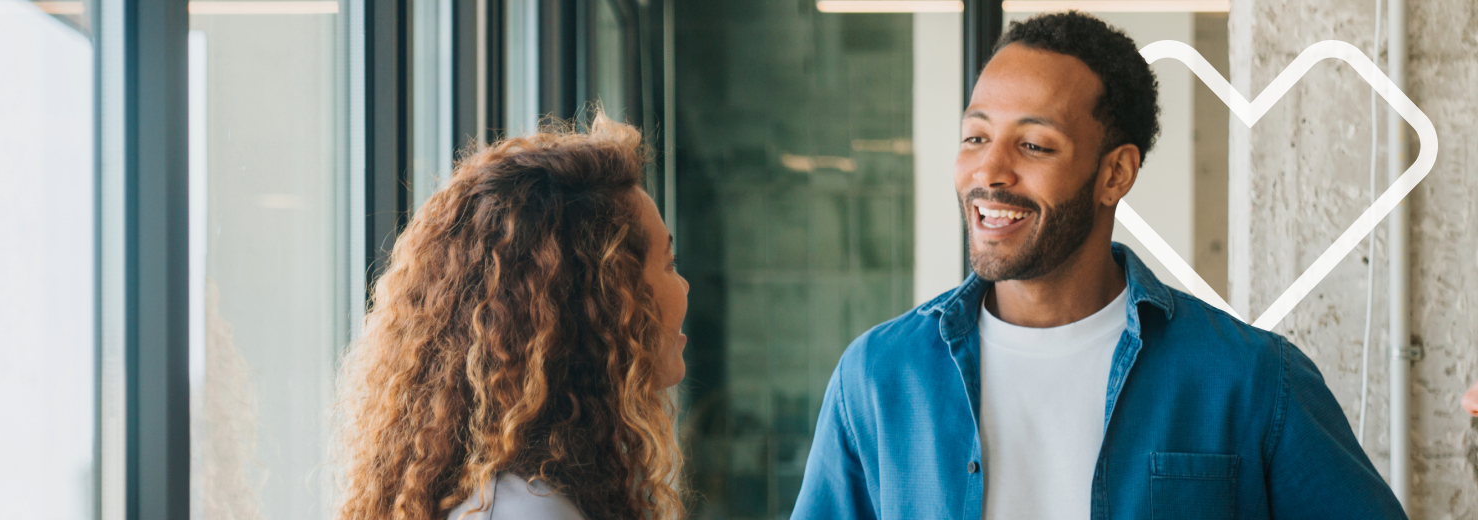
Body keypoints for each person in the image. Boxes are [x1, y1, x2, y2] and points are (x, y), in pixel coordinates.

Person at [791, 12, 1406, 520]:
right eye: (976, 137)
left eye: (1034, 145)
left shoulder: (1252, 383)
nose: (989, 172)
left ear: (1115, 173)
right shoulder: (878, 379)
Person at [333, 115, 690, 520]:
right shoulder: (532, 511)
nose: (685, 287)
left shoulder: (525, 494)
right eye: (669, 264)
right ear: (606, 304)